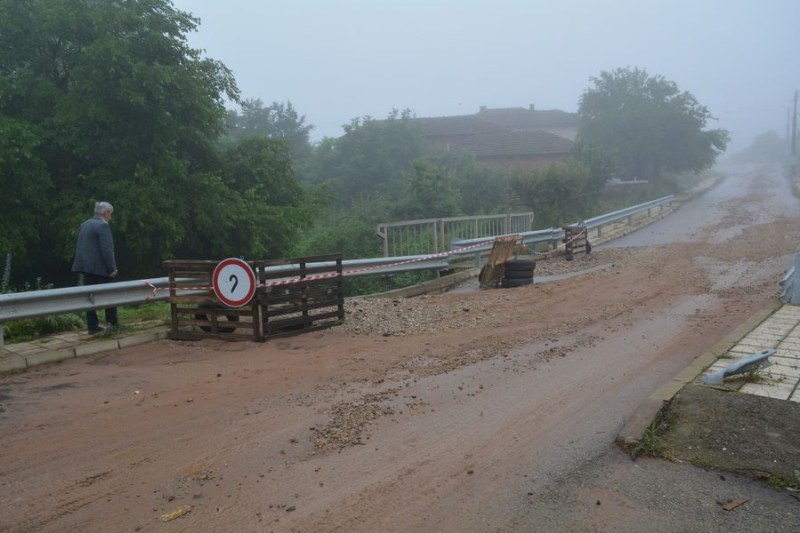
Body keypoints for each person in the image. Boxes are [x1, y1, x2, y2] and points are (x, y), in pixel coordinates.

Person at [72, 201, 119, 334]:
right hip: (101, 268)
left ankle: (92, 327)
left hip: (85, 267)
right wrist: (112, 268)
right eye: (110, 214)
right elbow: (107, 249)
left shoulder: (85, 224)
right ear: (105, 213)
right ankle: (112, 324)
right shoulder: (102, 226)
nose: (110, 217)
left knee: (90, 297)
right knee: (109, 295)